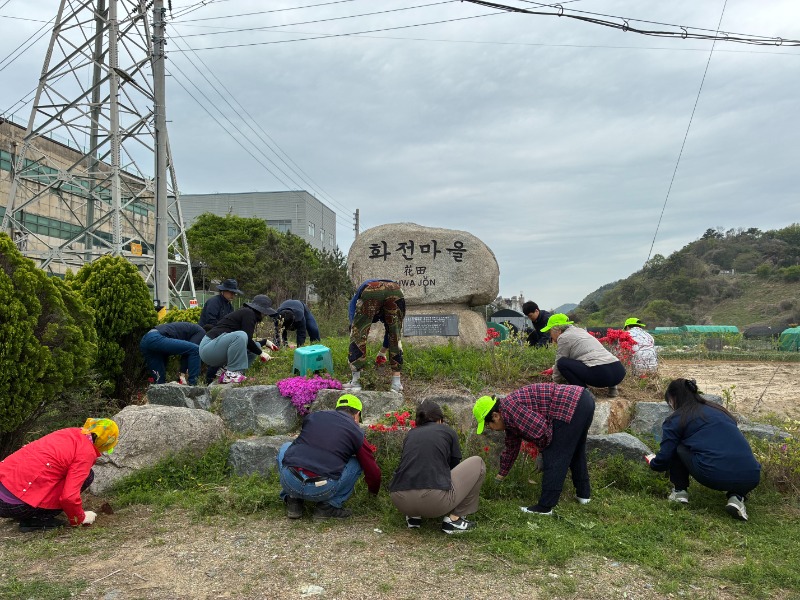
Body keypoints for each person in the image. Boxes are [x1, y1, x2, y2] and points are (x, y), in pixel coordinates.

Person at [647, 378, 761, 521]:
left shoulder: (677, 419)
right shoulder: (719, 410)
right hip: (752, 476)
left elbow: (665, 456)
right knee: (734, 460)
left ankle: (679, 492)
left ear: (673, 398)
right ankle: (737, 497)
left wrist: (653, 462)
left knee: (678, 445)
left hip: (713, 474)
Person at [473, 383, 595, 515]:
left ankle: (545, 507)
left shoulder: (511, 409)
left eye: (488, 424)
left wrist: (542, 454)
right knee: (576, 450)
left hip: (570, 404)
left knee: (555, 454)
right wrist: (500, 476)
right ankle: (583, 495)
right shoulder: (508, 415)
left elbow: (542, 430)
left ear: (496, 416)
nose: (490, 428)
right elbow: (511, 448)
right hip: (582, 400)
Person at [0, 418, 118, 532]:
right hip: (13, 506)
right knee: (88, 476)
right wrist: (79, 518)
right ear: (105, 443)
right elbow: (69, 497)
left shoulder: (69, 432)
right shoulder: (86, 452)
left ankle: (26, 507)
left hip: (3, 492)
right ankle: (37, 519)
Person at [276, 394, 381, 521]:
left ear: (338, 409)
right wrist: (373, 493)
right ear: (357, 414)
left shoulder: (314, 416)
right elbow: (371, 469)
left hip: (289, 481)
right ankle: (328, 507)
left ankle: (293, 500)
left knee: (286, 446)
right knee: (357, 462)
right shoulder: (356, 431)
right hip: (321, 488)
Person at [389, 400, 486, 534]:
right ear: (440, 420)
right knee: (478, 462)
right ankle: (454, 520)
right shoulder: (448, 432)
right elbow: (454, 467)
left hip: (400, 500)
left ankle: (413, 517)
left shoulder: (411, 434)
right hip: (433, 502)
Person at [541, 313, 626, 397]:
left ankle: (585, 394)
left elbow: (560, 360)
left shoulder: (564, 337)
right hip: (618, 372)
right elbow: (582, 356)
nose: (550, 335)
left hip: (601, 376)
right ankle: (613, 389)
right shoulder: (581, 331)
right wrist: (553, 368)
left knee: (561, 363)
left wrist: (554, 383)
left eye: (550, 331)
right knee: (602, 356)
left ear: (558, 330)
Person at [199, 294, 277, 384]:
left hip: (213, 350)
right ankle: (231, 374)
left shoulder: (247, 314)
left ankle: (234, 372)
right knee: (241, 336)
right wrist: (261, 353)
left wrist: (265, 342)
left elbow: (248, 343)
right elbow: (246, 339)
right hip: (208, 347)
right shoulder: (248, 313)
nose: (265, 315)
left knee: (254, 347)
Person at [344, 279, 406, 393]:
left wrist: (355, 329)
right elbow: (391, 333)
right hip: (395, 289)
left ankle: (356, 382)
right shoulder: (384, 309)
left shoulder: (353, 303)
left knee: (358, 335)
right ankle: (396, 384)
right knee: (395, 333)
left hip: (371, 289)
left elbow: (356, 330)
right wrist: (382, 352)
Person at [199, 278, 245, 384]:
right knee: (217, 358)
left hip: (221, 334)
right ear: (223, 291)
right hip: (208, 335)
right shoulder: (214, 302)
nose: (233, 295)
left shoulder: (229, 306)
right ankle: (208, 382)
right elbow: (211, 322)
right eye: (231, 292)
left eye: (234, 293)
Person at [139, 321, 206, 386]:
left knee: (159, 382)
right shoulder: (201, 332)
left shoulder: (192, 329)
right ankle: (194, 386)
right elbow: (191, 352)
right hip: (156, 338)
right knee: (196, 349)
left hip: (146, 340)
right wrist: (182, 374)